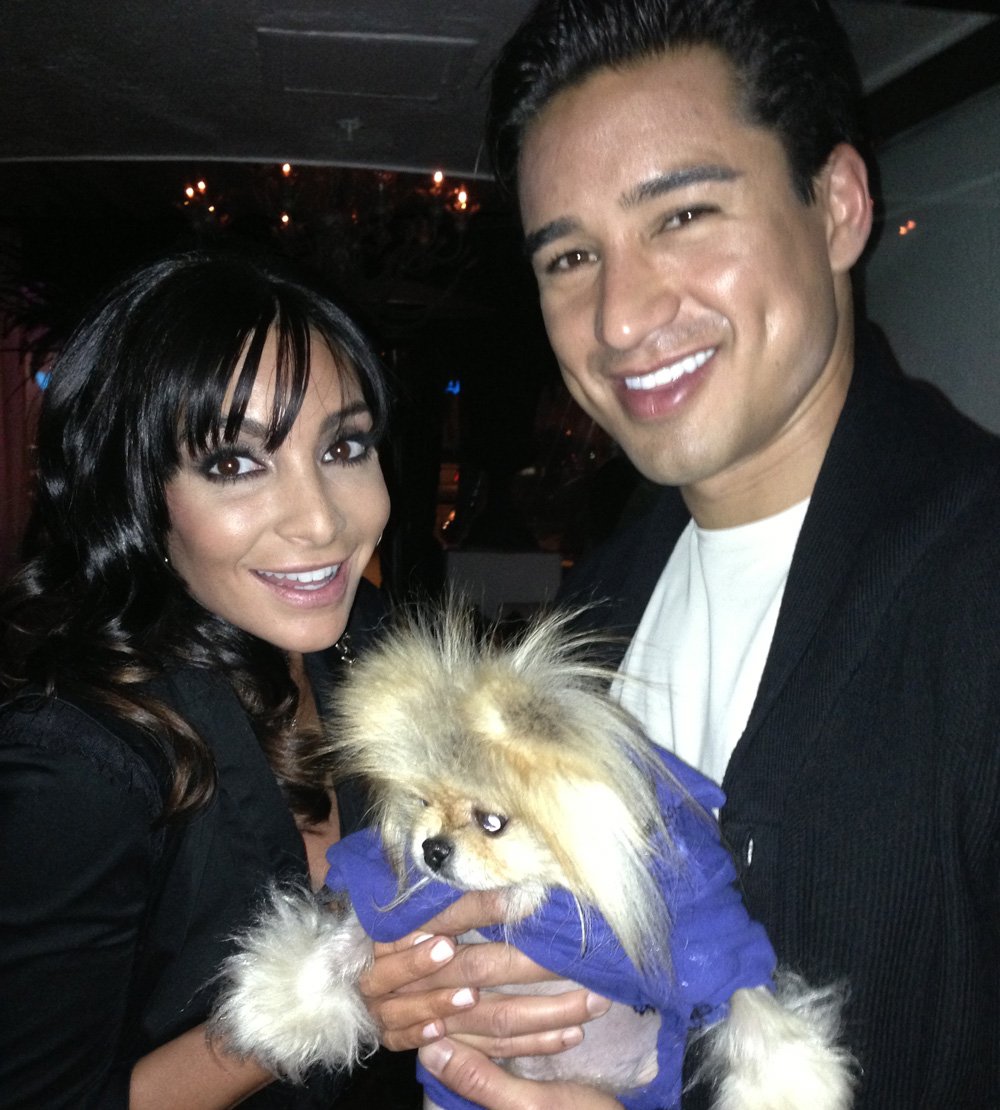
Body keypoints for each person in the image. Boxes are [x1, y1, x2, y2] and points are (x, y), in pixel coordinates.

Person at [416, 0, 1000, 1107]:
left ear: (834, 207)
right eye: (571, 256)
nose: (621, 318)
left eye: (682, 215)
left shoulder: (978, 585)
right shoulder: (586, 618)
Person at [0, 250, 601, 1108]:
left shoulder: (382, 657)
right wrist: (332, 999)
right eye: (235, 464)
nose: (321, 519)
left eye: (344, 446)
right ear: (136, 492)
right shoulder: (77, 764)